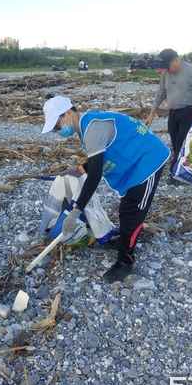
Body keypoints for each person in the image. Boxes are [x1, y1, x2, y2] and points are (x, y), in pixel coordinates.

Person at [42, 96, 170, 283]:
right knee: (126, 209)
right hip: (135, 160)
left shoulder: (92, 129)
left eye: (56, 125)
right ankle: (124, 242)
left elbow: (95, 175)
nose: (57, 131)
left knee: (132, 212)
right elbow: (99, 156)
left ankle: (126, 262)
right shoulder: (85, 124)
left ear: (68, 113)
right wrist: (78, 170)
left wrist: (76, 209)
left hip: (149, 160)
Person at [144, 48, 192, 185]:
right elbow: (160, 94)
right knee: (175, 142)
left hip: (189, 111)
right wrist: (151, 114)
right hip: (173, 112)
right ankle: (186, 167)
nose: (167, 71)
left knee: (182, 142)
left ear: (175, 60)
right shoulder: (166, 73)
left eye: (168, 67)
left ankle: (176, 174)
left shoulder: (191, 71)